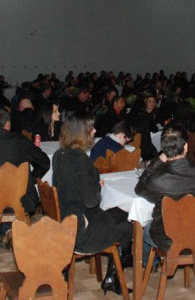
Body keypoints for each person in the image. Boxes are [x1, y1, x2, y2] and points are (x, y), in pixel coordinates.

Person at [52, 112, 133, 295]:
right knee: (129, 223)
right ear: (81, 133)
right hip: (82, 229)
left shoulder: (59, 155)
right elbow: (92, 201)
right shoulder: (81, 160)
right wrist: (96, 186)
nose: (95, 131)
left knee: (121, 213)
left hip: (65, 220)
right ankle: (112, 278)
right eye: (91, 128)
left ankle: (107, 276)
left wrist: (91, 183)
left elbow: (71, 185)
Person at [135, 124, 195, 263]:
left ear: (164, 149)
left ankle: (148, 264)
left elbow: (139, 188)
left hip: (165, 238)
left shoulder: (156, 181)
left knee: (141, 230)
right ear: (186, 147)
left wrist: (159, 160)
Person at [0, 108, 50, 248]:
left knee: (1, 193)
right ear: (8, 124)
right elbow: (44, 162)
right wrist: (29, 179)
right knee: (9, 193)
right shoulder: (20, 141)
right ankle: (10, 231)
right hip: (22, 198)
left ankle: (7, 231)